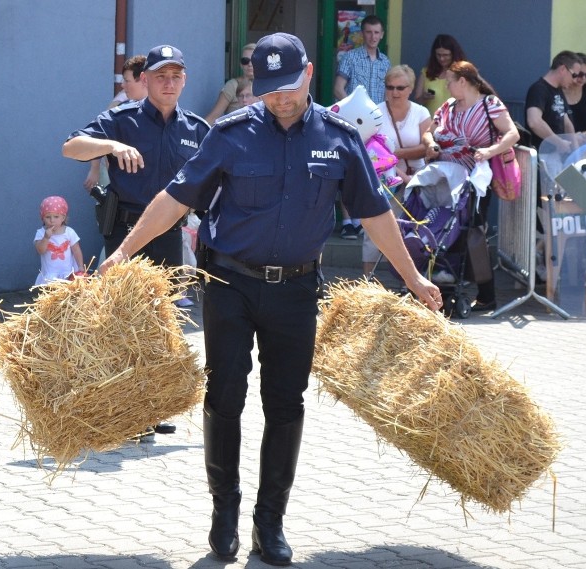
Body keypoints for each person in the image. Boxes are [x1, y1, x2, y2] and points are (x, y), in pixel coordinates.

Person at [98, 32, 441, 566]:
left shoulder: (339, 137)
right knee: (225, 396)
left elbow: (375, 214)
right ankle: (224, 513)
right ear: (256, 83)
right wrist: (123, 251)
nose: (281, 98)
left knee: (286, 404)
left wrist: (414, 279)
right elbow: (175, 199)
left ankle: (270, 521)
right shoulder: (230, 134)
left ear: (308, 74)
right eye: (270, 89)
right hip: (230, 284)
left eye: (289, 86)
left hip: (298, 289)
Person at [63, 44, 209, 437]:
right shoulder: (123, 119)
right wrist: (111, 146)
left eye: (176, 76)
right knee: (123, 322)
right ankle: (124, 411)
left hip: (169, 236)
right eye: (160, 76)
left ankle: (151, 407)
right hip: (125, 233)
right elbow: (71, 146)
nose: (168, 83)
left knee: (161, 323)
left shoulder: (196, 129)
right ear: (144, 81)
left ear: (184, 80)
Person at [423, 60, 520, 312]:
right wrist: (431, 145)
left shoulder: (490, 105)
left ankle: (486, 294)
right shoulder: (448, 107)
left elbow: (512, 133)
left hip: (475, 180)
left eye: (450, 82)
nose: (447, 87)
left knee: (474, 232)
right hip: (445, 179)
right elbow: (428, 132)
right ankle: (446, 284)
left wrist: (490, 150)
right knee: (444, 227)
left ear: (463, 82)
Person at [363, 64, 431, 278]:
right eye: (389, 87)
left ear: (410, 89)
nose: (394, 92)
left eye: (400, 88)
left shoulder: (421, 113)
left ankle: (411, 281)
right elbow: (369, 149)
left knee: (411, 231)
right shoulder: (375, 112)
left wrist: (394, 153)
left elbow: (426, 147)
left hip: (415, 181)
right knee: (374, 229)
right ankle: (368, 281)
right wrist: (397, 164)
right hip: (383, 179)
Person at [334, 15, 391, 239]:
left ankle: (364, 220)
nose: (373, 37)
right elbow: (339, 88)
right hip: (352, 122)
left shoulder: (386, 62)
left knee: (372, 170)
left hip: (375, 125)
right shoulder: (350, 57)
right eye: (369, 32)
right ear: (362, 33)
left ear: (382, 35)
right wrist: (352, 112)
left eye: (377, 32)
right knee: (349, 168)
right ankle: (348, 221)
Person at [83, 55, 148, 193]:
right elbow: (96, 136)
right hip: (118, 181)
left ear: (143, 80)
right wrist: (94, 169)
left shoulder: (165, 111)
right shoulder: (119, 106)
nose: (122, 85)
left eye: (126, 80)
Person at [525, 50, 582, 151]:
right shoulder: (539, 89)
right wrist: (559, 143)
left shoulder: (558, 90)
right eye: (574, 75)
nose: (574, 80)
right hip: (542, 154)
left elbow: (566, 121)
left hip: (557, 155)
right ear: (563, 69)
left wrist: (576, 151)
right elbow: (534, 121)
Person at [34, 196, 85, 285]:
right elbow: (40, 251)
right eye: (48, 217)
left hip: (68, 274)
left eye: (56, 216)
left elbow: (76, 250)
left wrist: (80, 266)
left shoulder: (69, 232)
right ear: (42, 218)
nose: (52, 220)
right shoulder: (41, 233)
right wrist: (46, 238)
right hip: (50, 276)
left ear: (63, 217)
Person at [413, 34, 467, 116]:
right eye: (438, 55)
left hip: (454, 123)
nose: (441, 58)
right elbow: (416, 102)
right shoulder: (426, 72)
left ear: (453, 54)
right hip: (430, 123)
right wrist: (424, 97)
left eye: (445, 55)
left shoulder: (463, 73)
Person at [205, 43, 256, 124]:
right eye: (245, 61)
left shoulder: (268, 87)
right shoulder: (232, 85)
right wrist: (196, 133)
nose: (250, 64)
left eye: (254, 60)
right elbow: (214, 116)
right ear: (241, 64)